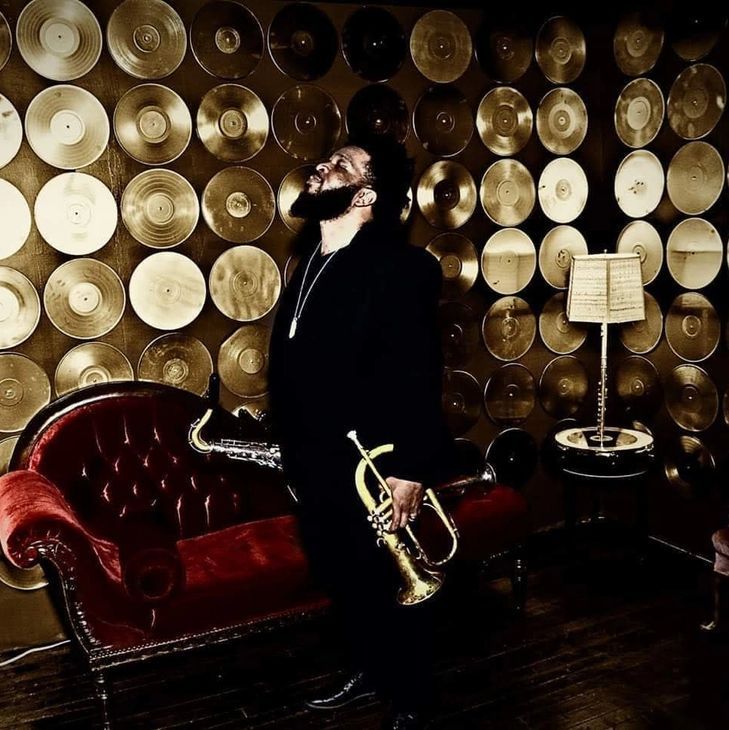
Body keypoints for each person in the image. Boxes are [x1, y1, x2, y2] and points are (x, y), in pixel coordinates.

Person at [268, 135, 459, 730]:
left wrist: (411, 470)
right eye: (328, 160)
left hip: (375, 461)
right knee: (344, 576)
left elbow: (420, 373)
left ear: (366, 195)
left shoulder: (401, 267)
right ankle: (369, 669)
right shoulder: (307, 261)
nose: (323, 167)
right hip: (314, 461)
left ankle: (411, 700)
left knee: (393, 578)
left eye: (342, 165)